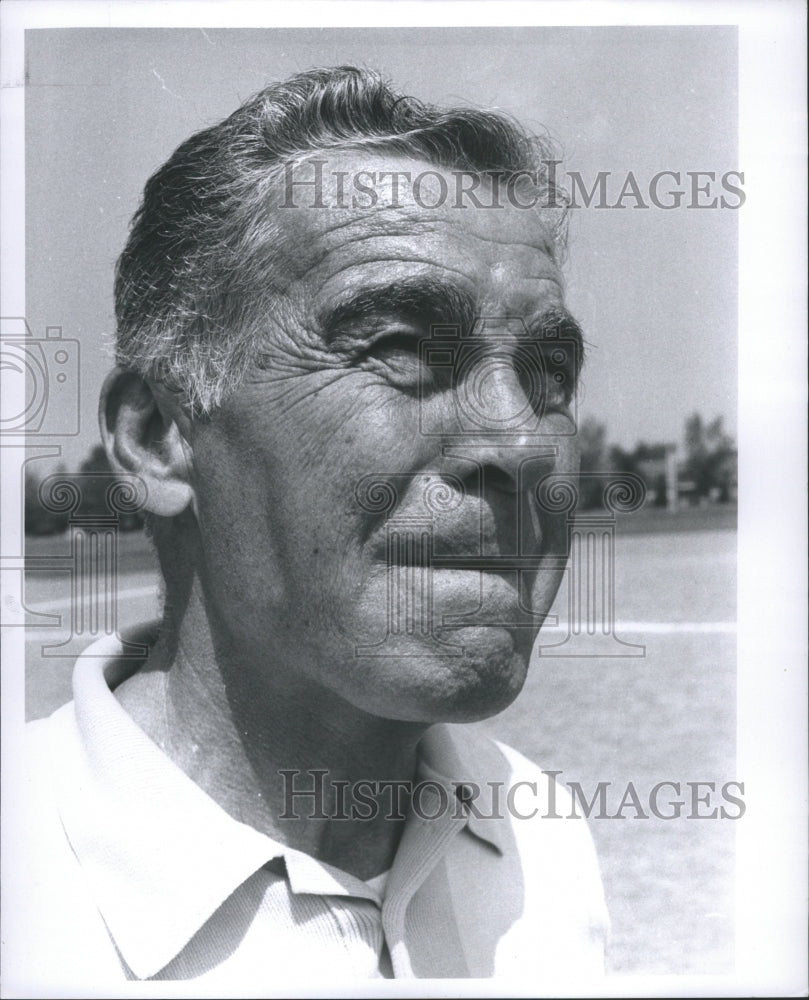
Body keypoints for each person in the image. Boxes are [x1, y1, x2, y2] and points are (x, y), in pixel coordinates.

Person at [20, 66, 608, 987]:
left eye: (547, 376)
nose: (522, 440)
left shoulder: (541, 838)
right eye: (401, 350)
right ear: (159, 438)